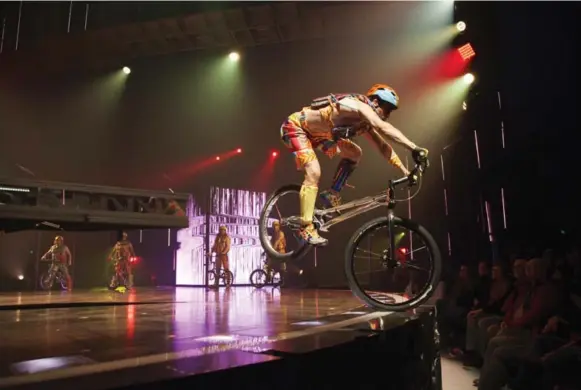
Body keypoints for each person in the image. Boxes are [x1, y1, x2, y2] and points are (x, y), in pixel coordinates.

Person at [280, 84, 428, 245]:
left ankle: (332, 193)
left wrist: (405, 171)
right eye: (387, 110)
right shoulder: (357, 105)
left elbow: (384, 147)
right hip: (296, 127)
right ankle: (306, 228)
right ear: (376, 102)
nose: (388, 115)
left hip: (320, 136)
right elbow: (383, 127)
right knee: (314, 172)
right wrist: (414, 148)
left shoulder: (364, 123)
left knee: (355, 153)